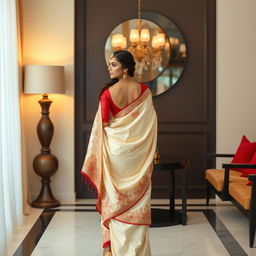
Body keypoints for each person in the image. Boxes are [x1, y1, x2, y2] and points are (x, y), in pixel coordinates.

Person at [81, 50, 157, 256]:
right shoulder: (144, 92)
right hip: (138, 159)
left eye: (113, 64)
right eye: (109, 64)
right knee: (138, 203)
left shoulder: (108, 93)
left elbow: (104, 124)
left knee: (114, 201)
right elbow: (149, 127)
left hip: (115, 156)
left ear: (125, 68)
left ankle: (113, 251)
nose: (109, 68)